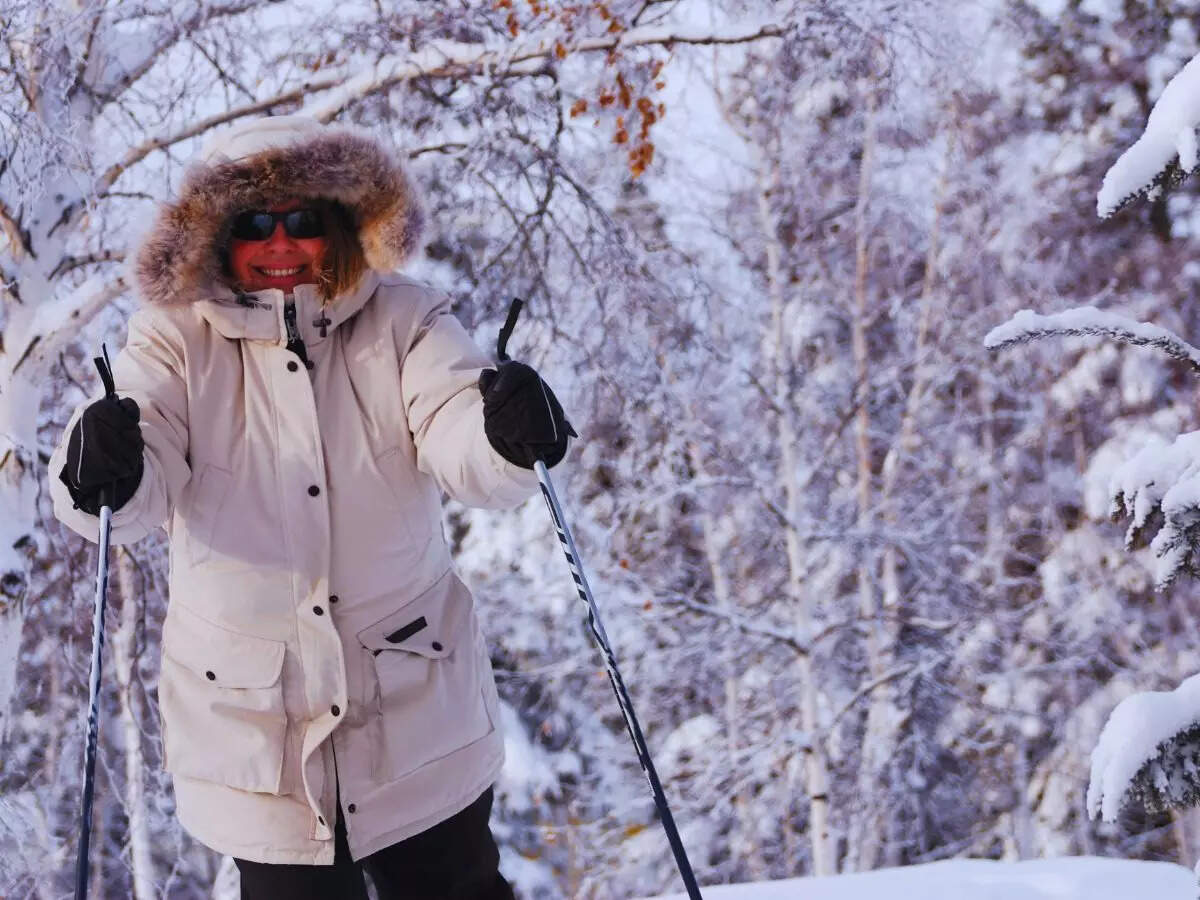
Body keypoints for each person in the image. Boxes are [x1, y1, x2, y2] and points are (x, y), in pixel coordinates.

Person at [48, 115, 574, 899]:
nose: (281, 243)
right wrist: (103, 474)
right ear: (217, 237)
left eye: (304, 222)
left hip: (413, 709)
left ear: (340, 227)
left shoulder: (407, 318)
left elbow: (458, 426)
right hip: (259, 732)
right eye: (256, 223)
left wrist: (505, 434)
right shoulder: (171, 341)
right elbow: (138, 459)